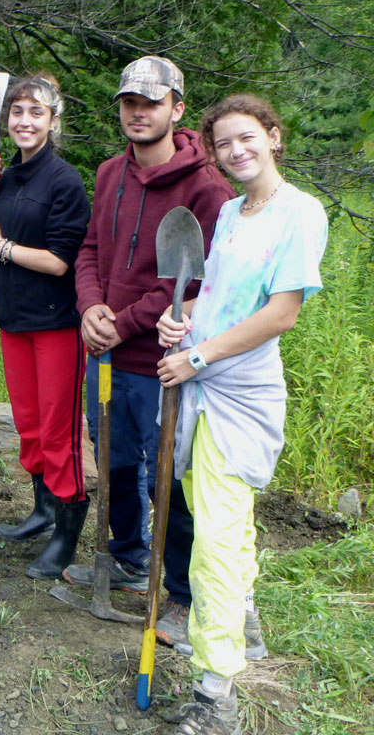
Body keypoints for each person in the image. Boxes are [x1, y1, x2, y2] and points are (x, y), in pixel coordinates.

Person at [157, 95, 327, 734]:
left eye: (246, 138)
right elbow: (218, 294)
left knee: (215, 543)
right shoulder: (228, 212)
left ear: (274, 137)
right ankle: (245, 618)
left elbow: (280, 312)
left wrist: (196, 356)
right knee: (214, 513)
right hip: (203, 376)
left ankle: (215, 694)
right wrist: (186, 318)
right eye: (224, 143)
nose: (236, 151)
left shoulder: (300, 213)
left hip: (240, 392)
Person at [71, 56, 234, 645]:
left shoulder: (206, 189)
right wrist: (91, 307)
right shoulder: (111, 172)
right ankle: (126, 556)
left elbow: (192, 280)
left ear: (177, 108)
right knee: (111, 458)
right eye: (129, 103)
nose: (139, 113)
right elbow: (91, 248)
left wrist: (126, 322)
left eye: (152, 102)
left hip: (162, 360)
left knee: (172, 477)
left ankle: (185, 596)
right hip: (105, 353)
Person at [0, 73, 91, 579]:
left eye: (36, 112)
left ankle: (67, 530)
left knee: (58, 432)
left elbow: (61, 261)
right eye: (17, 112)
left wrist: (0, 247)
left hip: (57, 325)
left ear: (53, 119)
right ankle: (42, 509)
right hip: (15, 319)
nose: (25, 121)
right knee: (28, 424)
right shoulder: (7, 176)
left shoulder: (64, 181)